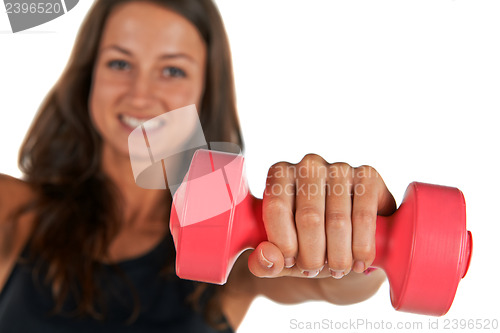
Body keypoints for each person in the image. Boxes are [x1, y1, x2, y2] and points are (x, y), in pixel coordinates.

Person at [0, 0, 397, 331]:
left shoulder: (238, 252)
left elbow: (337, 288)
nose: (140, 95)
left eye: (173, 70)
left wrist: (367, 236)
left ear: (205, 93)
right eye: (120, 64)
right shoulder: (13, 209)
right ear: (88, 77)